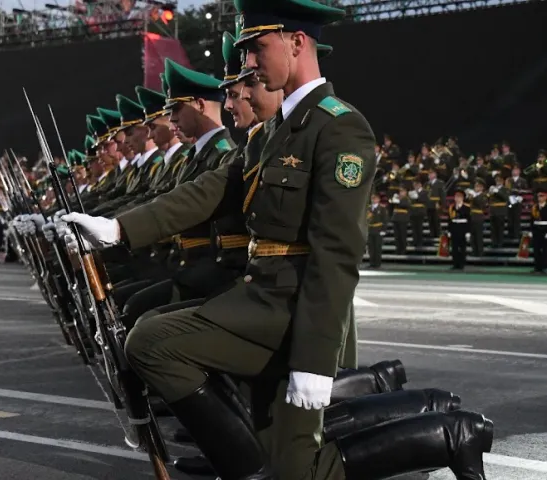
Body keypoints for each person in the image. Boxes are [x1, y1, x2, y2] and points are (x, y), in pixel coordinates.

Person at [62, 0, 492, 477]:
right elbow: (210, 191)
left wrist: (313, 361)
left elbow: (336, 254)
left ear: (296, 42)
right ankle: (447, 433)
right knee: (297, 469)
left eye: (256, 47)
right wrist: (120, 228)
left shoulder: (340, 127)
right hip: (259, 303)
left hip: (290, 316)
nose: (248, 63)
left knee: (152, 340)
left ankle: (448, 433)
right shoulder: (272, 134)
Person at [448, 189, 470, 270]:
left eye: (459, 197)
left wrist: (468, 231)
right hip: (454, 228)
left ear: (462, 198)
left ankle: (462, 264)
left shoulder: (467, 207)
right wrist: (449, 230)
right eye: (456, 196)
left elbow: (469, 220)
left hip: (462, 228)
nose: (457, 198)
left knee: (462, 247)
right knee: (454, 247)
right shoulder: (452, 207)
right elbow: (449, 220)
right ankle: (455, 264)